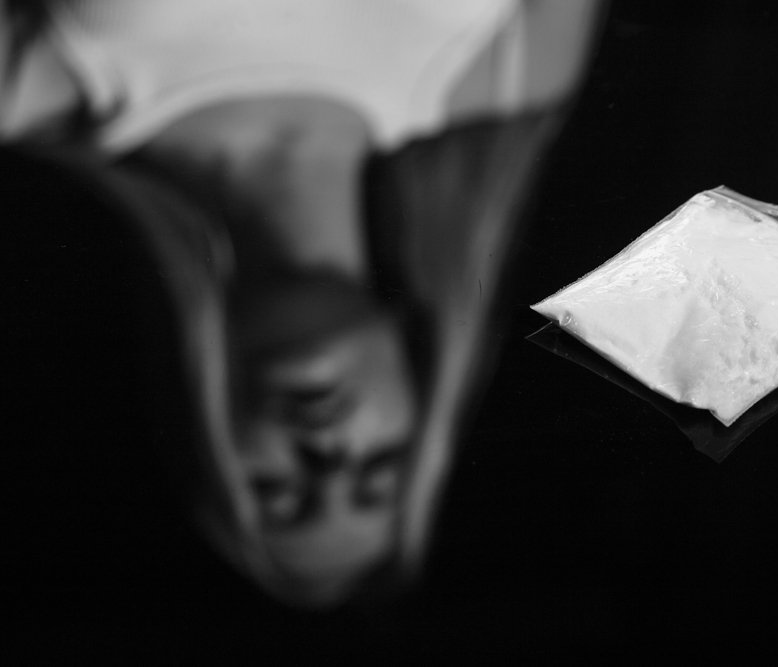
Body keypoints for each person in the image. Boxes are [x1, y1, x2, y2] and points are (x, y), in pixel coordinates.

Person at [0, 0, 606, 606]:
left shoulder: (28, 93)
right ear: (417, 378)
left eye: (277, 491)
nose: (329, 458)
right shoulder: (518, 73)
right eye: (380, 465)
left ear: (203, 432)